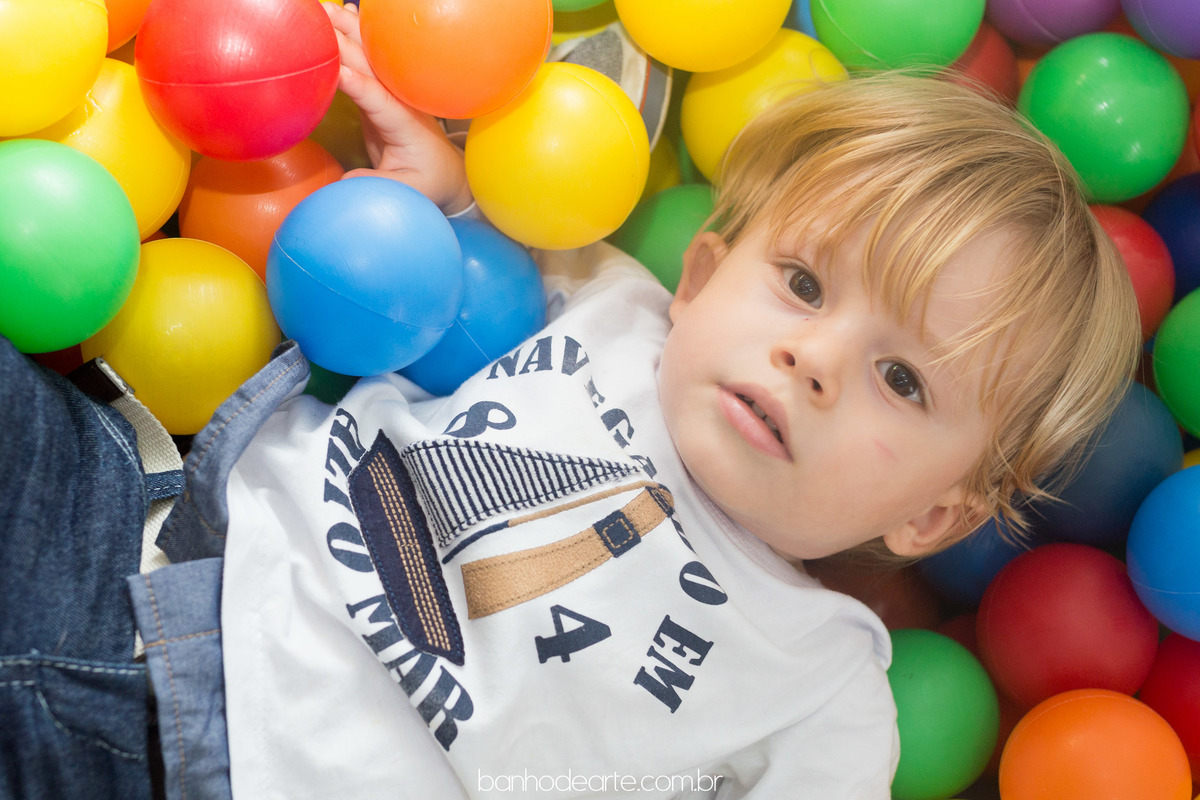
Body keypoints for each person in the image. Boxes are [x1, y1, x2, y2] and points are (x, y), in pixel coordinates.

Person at [0, 6, 1141, 800]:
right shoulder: (609, 305)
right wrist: (434, 185)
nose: (814, 357)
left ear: (933, 517)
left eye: (902, 378)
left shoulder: (826, 686)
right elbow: (459, 256)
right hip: (139, 541)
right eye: (801, 283)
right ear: (702, 274)